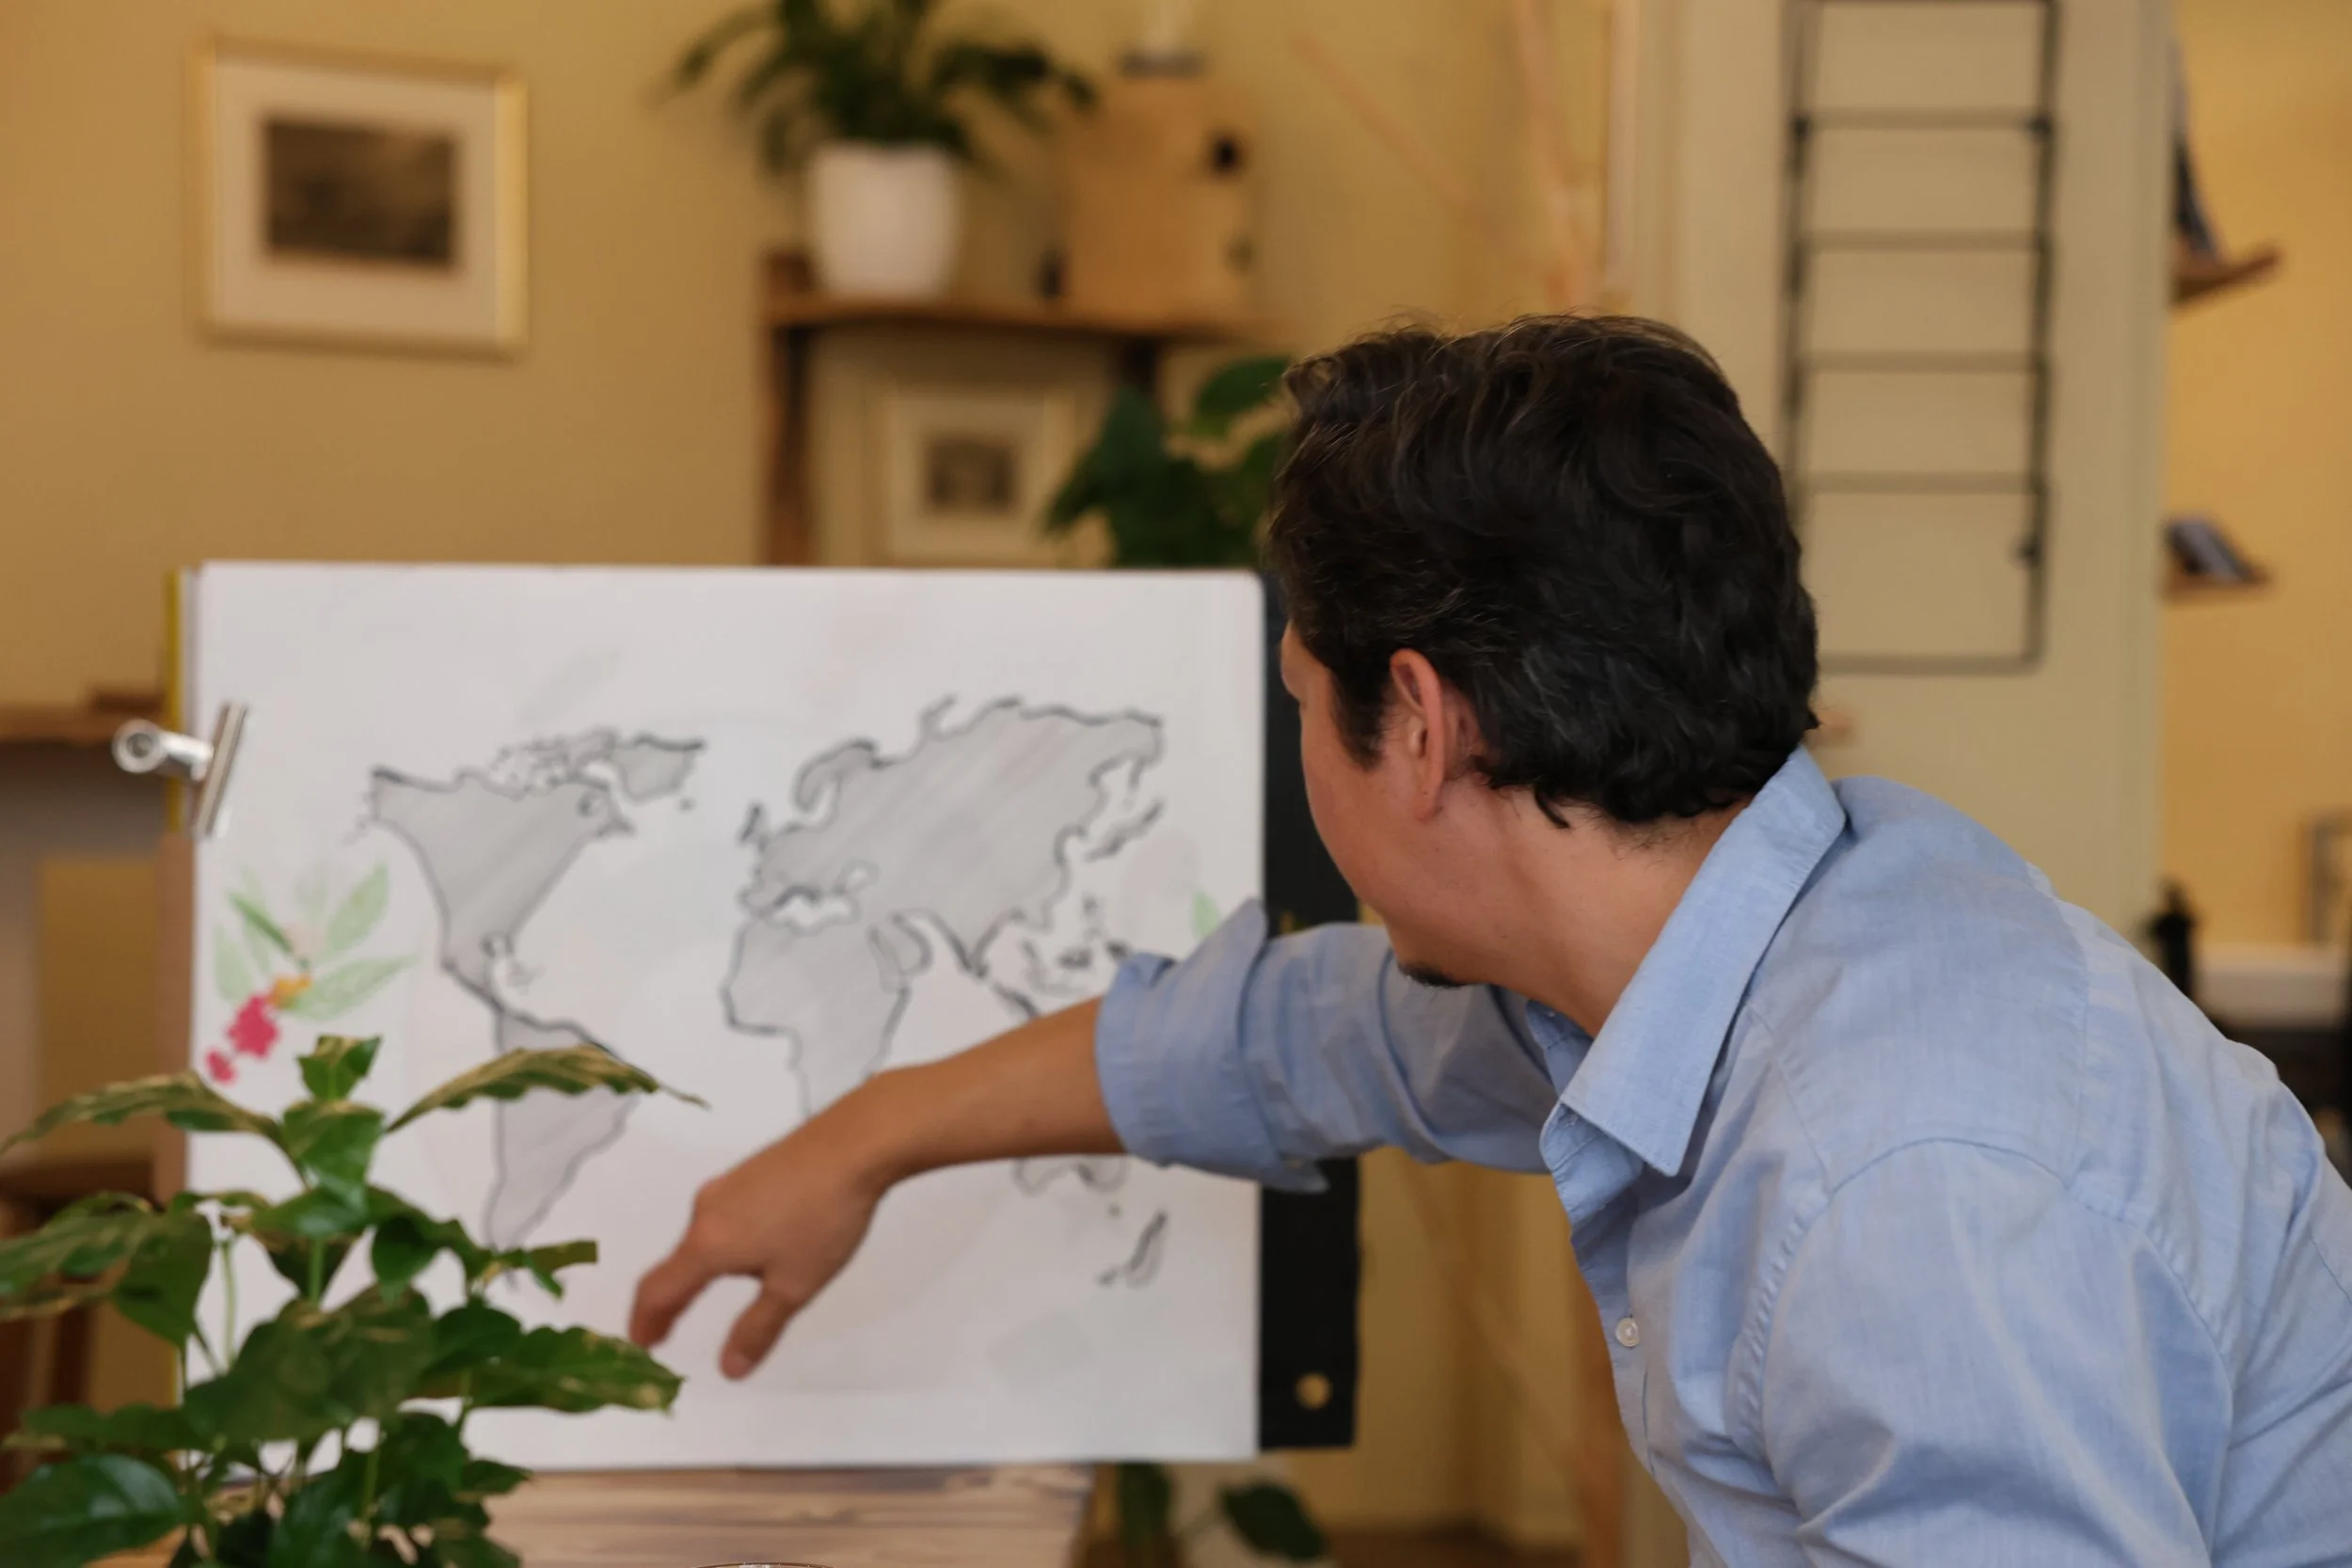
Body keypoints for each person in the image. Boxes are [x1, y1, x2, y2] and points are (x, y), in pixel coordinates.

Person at [629, 316, 2352, 1564]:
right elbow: (1281, 1042)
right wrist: (857, 1143)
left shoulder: (1897, 1185)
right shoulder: (1733, 924)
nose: (1308, 751)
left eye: (1308, 701)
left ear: (1427, 729)